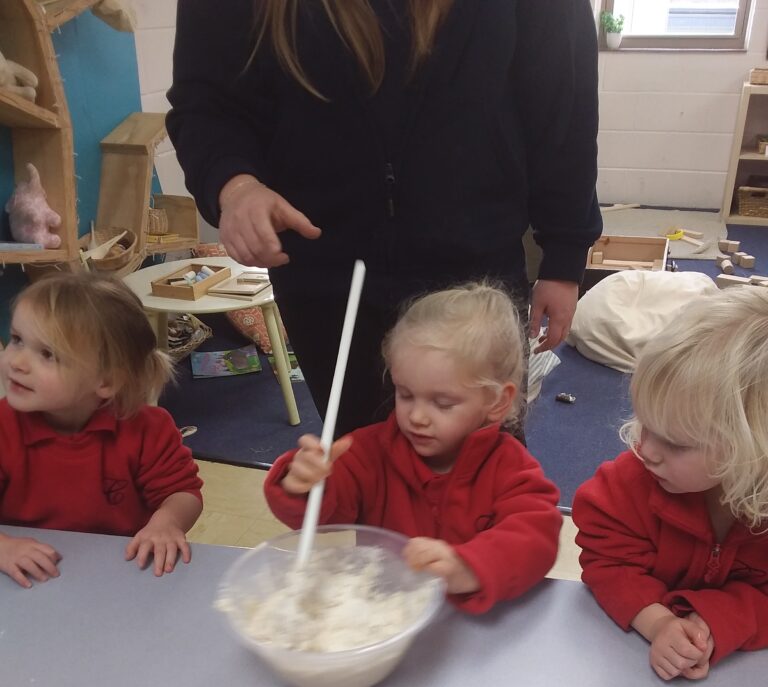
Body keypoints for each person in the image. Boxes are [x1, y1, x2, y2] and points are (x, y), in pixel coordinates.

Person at [166, 0, 602, 435]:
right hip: (327, 276)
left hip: (475, 273)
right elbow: (207, 100)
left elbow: (565, 95)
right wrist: (236, 185)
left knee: (484, 462)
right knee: (360, 464)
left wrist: (564, 253)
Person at [264, 283, 562, 613]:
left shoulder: (509, 466)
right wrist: (303, 484)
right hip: (380, 611)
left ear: (496, 401)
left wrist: (468, 567)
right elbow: (319, 516)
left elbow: (538, 537)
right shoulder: (366, 451)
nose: (417, 416)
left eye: (442, 403)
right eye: (405, 394)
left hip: (471, 624)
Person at [572, 289, 768, 682]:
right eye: (645, 423)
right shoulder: (624, 488)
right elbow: (607, 563)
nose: (645, 449)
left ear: (754, 448)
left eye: (675, 443)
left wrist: (717, 620)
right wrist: (658, 622)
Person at [0, 273, 204, 588]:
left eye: (47, 354)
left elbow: (183, 493)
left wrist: (167, 522)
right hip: (26, 580)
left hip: (122, 574)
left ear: (106, 381)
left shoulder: (148, 428)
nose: (17, 362)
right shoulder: (4, 426)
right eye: (16, 340)